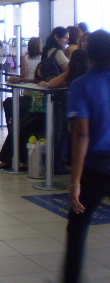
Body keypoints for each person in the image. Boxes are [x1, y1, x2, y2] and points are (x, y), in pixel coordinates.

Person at [63, 30, 110, 283]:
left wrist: (75, 182)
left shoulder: (82, 84)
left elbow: (81, 135)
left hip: (95, 167)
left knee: (78, 228)